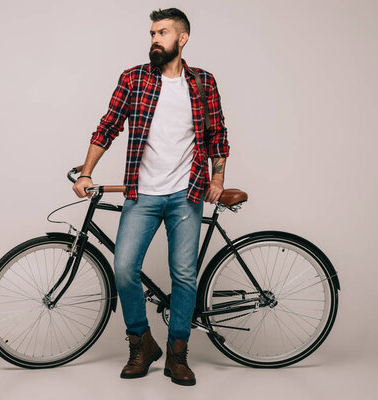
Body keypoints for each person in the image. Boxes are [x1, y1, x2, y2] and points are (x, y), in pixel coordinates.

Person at [72, 8, 230, 386]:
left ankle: (178, 353)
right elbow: (108, 125)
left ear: (182, 38)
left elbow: (217, 136)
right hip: (141, 193)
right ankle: (142, 343)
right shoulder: (134, 78)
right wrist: (86, 171)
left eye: (161, 33)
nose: (154, 39)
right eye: (152, 33)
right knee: (124, 269)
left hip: (186, 194)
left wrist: (218, 178)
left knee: (184, 276)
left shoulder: (203, 82)